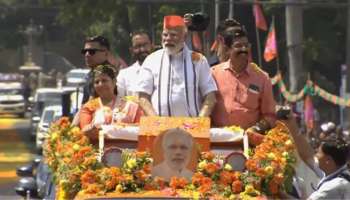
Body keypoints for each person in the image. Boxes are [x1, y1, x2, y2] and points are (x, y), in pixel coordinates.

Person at [136, 15, 217, 117]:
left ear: (184, 37)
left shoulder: (198, 60)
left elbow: (210, 96)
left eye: (173, 35)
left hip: (192, 128)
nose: (168, 39)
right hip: (160, 128)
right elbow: (143, 97)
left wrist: (200, 121)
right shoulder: (151, 60)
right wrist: (156, 122)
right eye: (165, 35)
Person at [210, 25, 276, 131]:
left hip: (249, 141)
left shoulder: (262, 78)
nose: (244, 49)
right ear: (227, 50)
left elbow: (270, 115)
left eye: (246, 45)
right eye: (238, 46)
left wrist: (257, 129)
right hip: (218, 140)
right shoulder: (213, 74)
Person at [282, 114, 350, 200]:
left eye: (318, 153)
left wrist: (279, 192)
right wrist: (292, 125)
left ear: (328, 160)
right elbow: (307, 155)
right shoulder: (336, 171)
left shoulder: (334, 186)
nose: (316, 156)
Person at [79, 64, 143, 147]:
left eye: (104, 80)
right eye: (96, 82)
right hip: (98, 154)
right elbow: (85, 131)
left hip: (129, 154)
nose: (100, 85)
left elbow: (141, 129)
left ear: (114, 81)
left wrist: (107, 129)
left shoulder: (131, 105)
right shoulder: (88, 107)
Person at [117, 30, 153, 98]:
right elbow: (119, 100)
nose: (142, 49)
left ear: (152, 46)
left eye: (145, 45)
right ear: (131, 50)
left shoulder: (164, 69)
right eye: (138, 46)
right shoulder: (124, 75)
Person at [81, 35, 111, 104]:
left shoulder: (106, 74)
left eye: (92, 51)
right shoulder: (91, 74)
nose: (87, 55)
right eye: (85, 51)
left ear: (106, 53)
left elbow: (91, 105)